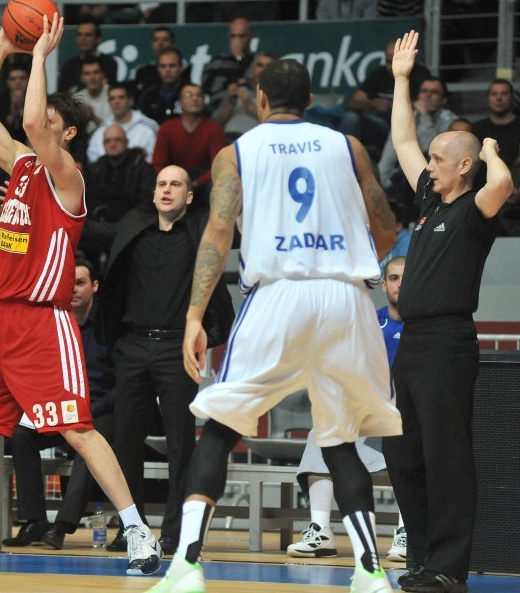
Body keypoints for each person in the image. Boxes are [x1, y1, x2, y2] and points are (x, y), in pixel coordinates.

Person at [0, 14, 162, 576]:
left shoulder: (67, 174)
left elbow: (29, 121)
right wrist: (0, 46)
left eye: (48, 120)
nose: (35, 125)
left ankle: (140, 533)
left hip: (44, 324)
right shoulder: (20, 165)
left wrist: (40, 54)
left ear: (66, 134)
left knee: (77, 426)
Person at [143, 58, 403, 593]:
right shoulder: (347, 147)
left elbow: (217, 234)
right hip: (345, 298)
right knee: (342, 438)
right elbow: (385, 226)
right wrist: (357, 271)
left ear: (260, 100)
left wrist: (194, 315)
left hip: (278, 292)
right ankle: (371, 573)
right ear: (308, 99)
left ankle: (187, 566)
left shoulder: (234, 153)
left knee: (219, 424)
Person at [382, 31, 514, 593]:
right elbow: (403, 135)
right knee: (403, 456)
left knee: (446, 458)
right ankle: (423, 557)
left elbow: (504, 183)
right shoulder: (431, 201)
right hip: (411, 345)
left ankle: (448, 569)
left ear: (462, 167)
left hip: (449, 344)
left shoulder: (475, 209)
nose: (428, 165)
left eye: (440, 160)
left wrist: (488, 151)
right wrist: (402, 79)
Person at [82, 165, 233, 557]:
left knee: (180, 444)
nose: (167, 190)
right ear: (153, 195)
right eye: (161, 184)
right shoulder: (134, 225)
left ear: (188, 195)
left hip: (176, 350)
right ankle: (133, 527)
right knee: (126, 442)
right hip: (131, 349)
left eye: (176, 185)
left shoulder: (203, 229)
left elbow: (238, 231)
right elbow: (86, 228)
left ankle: (174, 532)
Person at [287, 257, 408, 562]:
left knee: (413, 442)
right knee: (323, 430)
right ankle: (321, 529)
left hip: (406, 419)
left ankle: (407, 532)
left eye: (405, 278)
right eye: (393, 278)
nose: (399, 284)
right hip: (362, 415)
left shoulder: (424, 328)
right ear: (384, 285)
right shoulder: (368, 323)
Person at [3, 258, 116, 550]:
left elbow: (124, 386)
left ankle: (62, 526)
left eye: (80, 283)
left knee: (87, 439)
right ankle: (34, 521)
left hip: (100, 410)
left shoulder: (110, 327)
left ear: (95, 286)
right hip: (59, 409)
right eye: (69, 284)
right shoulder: (50, 324)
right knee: (21, 435)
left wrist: (89, 410)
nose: (74, 290)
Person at [338, 40, 430, 157]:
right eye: (388, 62)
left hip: (407, 125)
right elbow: (352, 103)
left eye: (395, 61)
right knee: (351, 117)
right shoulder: (378, 73)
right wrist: (373, 103)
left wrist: (391, 106)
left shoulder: (419, 74)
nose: (392, 66)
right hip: (379, 123)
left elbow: (427, 104)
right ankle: (345, 157)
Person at [151, 84, 224, 212]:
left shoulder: (214, 128)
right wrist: (172, 182)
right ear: (180, 103)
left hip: (202, 181)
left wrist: (196, 183)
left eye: (199, 95)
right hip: (173, 177)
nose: (195, 99)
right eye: (189, 95)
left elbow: (218, 166)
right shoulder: (167, 128)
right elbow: (158, 163)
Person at [84, 124, 156, 223]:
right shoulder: (96, 168)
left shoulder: (142, 168)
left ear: (126, 142)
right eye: (108, 141)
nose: (112, 144)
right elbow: (88, 198)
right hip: (99, 223)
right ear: (103, 145)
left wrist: (130, 221)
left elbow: (148, 201)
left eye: (117, 140)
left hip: (132, 224)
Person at [88, 83, 159, 165]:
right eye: (112, 98)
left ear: (130, 100)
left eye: (121, 97)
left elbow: (153, 160)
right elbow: (93, 162)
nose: (116, 102)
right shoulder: (101, 131)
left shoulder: (148, 127)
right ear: (109, 102)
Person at [200, 18, 254, 116]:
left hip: (249, 114)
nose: (237, 40)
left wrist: (239, 58)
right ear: (229, 37)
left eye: (242, 36)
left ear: (251, 36)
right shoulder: (217, 62)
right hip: (219, 111)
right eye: (233, 36)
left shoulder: (258, 62)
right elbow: (205, 87)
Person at [57, 20, 118, 93]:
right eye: (79, 34)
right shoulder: (68, 66)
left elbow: (113, 92)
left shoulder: (110, 63)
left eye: (88, 35)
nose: (82, 39)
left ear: (98, 39)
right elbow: (62, 95)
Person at [472, 79, 519, 171]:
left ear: (512, 98)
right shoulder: (476, 128)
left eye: (504, 93)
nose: (499, 98)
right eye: (494, 94)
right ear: (488, 99)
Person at [137, 48, 185, 125]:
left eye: (172, 66)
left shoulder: (191, 94)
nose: (167, 70)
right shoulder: (148, 96)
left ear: (181, 67)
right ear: (158, 69)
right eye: (163, 66)